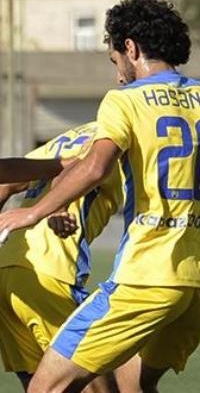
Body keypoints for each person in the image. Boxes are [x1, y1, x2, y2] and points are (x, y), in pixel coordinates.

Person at [0, 0, 200, 391]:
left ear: (131, 48)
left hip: (146, 277)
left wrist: (32, 213)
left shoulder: (125, 101)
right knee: (133, 385)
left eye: (114, 59)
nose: (117, 73)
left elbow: (94, 167)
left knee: (45, 387)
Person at [0, 122, 122, 392]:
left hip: (7, 268)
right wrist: (58, 207)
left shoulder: (69, 137)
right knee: (96, 386)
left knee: (41, 385)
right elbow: (81, 167)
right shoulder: (120, 132)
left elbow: (7, 182)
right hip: (51, 270)